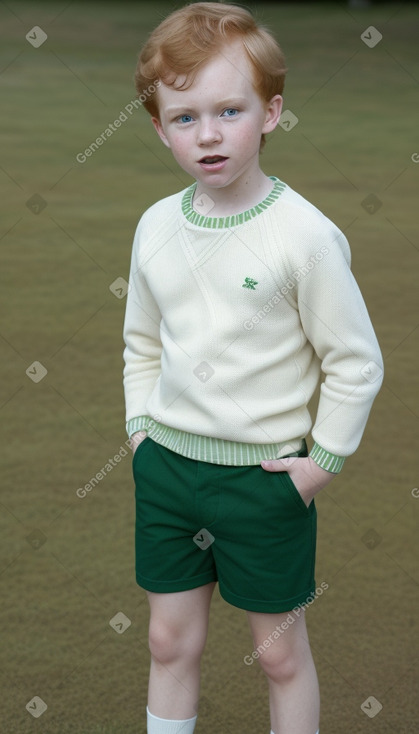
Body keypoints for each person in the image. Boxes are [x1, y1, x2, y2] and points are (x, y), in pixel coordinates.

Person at [122, 3, 383, 733]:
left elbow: (354, 363)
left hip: (264, 484)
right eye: (184, 117)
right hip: (168, 473)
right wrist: (141, 434)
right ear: (158, 127)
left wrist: (318, 465)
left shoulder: (303, 236)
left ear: (270, 113)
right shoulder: (155, 226)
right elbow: (141, 343)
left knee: (277, 657)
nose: (207, 134)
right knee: (168, 640)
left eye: (228, 110)